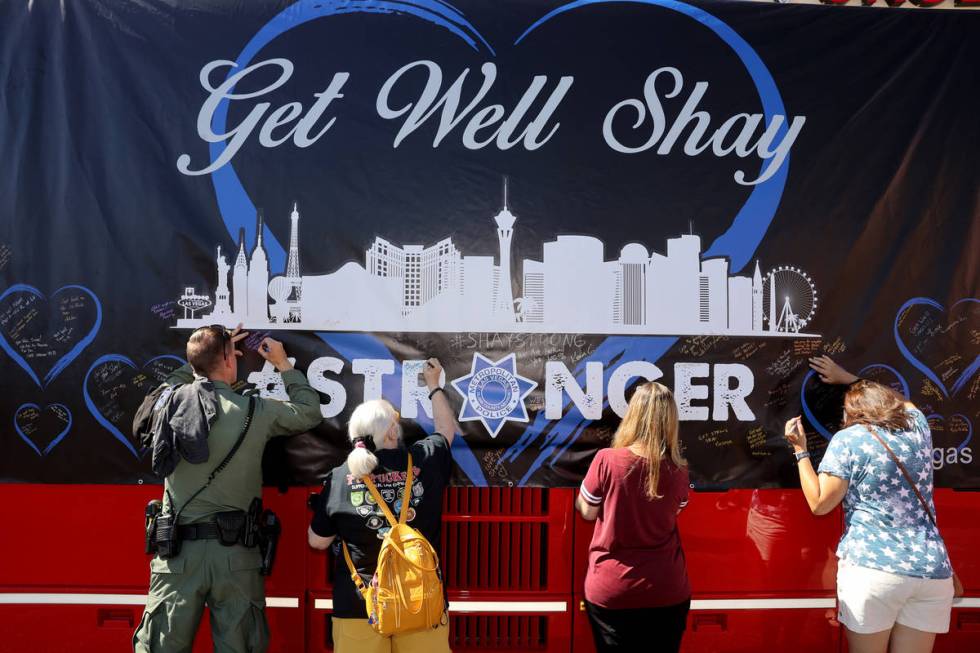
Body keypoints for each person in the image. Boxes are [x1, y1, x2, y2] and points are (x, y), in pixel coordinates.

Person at [134, 324, 323, 653]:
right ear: (229, 361)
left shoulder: (168, 405)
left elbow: (159, 397)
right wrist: (283, 365)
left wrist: (199, 362)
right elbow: (309, 413)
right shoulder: (255, 411)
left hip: (177, 557)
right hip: (236, 557)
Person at [785, 356, 957, 653]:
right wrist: (849, 376)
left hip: (874, 570)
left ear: (854, 413)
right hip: (932, 572)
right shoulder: (918, 428)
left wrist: (800, 452)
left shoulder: (849, 440)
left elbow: (820, 504)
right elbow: (904, 402)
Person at [308, 357, 458, 653]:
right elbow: (446, 431)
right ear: (391, 432)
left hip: (359, 607)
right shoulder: (424, 459)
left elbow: (317, 541)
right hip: (420, 605)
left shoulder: (340, 477)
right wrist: (433, 385)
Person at [575, 382, 691, 653]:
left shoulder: (606, 460)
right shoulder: (679, 469)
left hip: (613, 590)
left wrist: (581, 500)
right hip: (667, 589)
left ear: (633, 415)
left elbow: (588, 511)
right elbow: (674, 512)